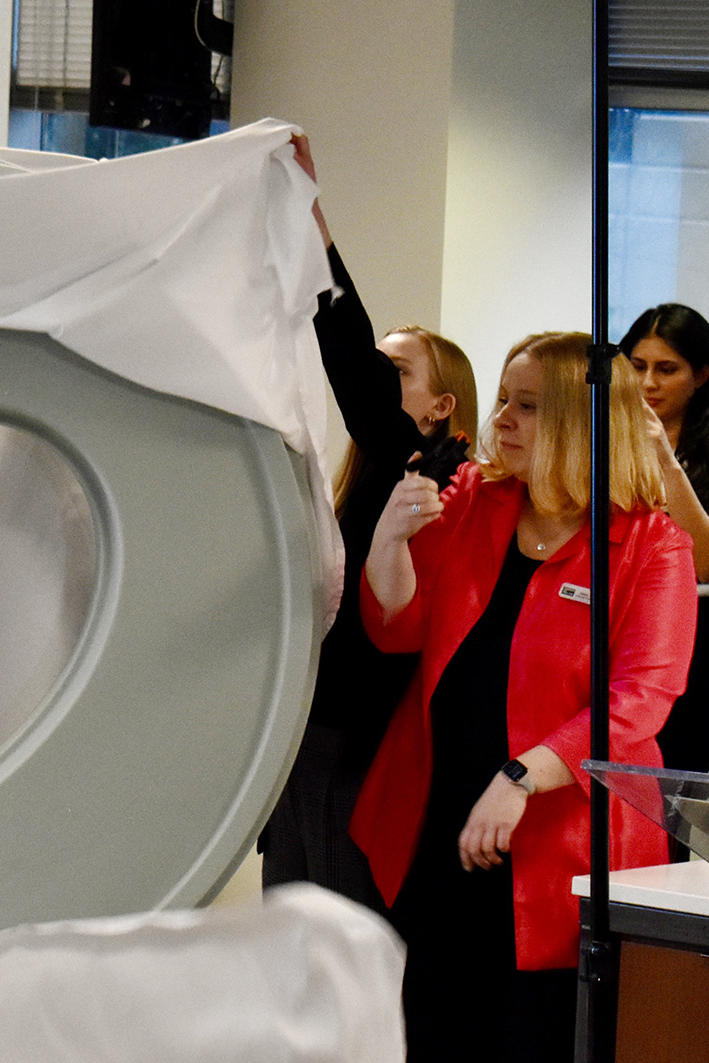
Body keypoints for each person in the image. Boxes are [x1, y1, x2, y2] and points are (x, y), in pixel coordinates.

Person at [350, 332, 696, 1063]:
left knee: (530, 1044)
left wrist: (520, 777)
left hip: (562, 848)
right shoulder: (475, 500)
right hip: (437, 830)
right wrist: (387, 544)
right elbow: (399, 628)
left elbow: (640, 699)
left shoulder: (651, 545)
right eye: (505, 398)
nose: (501, 418)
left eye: (528, 405)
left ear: (581, 421)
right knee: (428, 1040)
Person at [259, 135, 476, 912]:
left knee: (336, 936)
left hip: (362, 742)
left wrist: (313, 228)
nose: (378, 381)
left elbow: (349, 360)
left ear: (441, 405)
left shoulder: (428, 468)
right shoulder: (364, 477)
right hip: (310, 734)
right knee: (288, 935)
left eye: (399, 372)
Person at [619, 305, 709, 779]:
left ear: (701, 375)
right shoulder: (599, 440)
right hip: (606, 617)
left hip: (690, 629)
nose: (648, 383)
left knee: (668, 802)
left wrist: (664, 459)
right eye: (637, 366)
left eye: (666, 369)